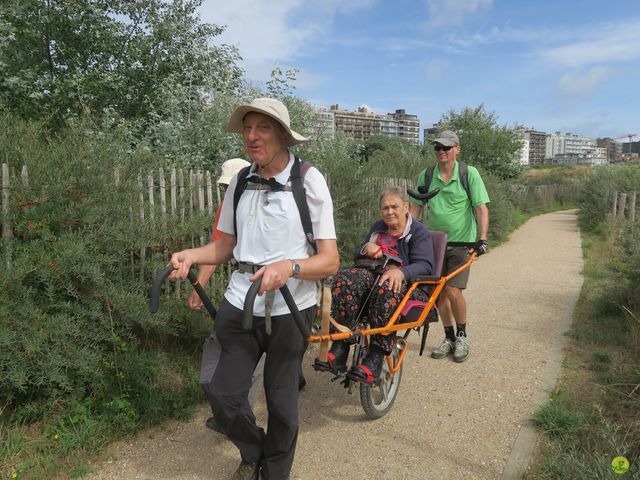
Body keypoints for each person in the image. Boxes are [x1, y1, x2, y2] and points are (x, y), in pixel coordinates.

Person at [169, 97, 339, 480]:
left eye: (262, 127)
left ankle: (273, 473)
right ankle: (253, 450)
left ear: (282, 135)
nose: (251, 136)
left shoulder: (308, 181)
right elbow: (226, 245)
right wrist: (191, 255)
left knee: (281, 403)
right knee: (222, 392)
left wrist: (290, 267)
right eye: (247, 128)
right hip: (239, 300)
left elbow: (330, 260)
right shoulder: (242, 180)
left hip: (291, 307)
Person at [314, 187, 434, 383]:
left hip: (406, 285)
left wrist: (400, 271)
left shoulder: (418, 231)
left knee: (387, 286)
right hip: (372, 275)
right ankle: (341, 345)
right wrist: (366, 247)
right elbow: (357, 257)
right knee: (343, 279)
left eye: (394, 206)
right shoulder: (378, 227)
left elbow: (425, 265)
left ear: (405, 207)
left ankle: (375, 357)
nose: (389, 212)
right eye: (385, 208)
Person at [409, 130, 490, 363]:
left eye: (446, 147)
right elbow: (415, 208)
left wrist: (482, 239)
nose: (442, 151)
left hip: (462, 243)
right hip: (433, 243)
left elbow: (481, 208)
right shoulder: (426, 175)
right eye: (438, 148)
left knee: (453, 290)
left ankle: (463, 336)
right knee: (438, 293)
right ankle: (449, 337)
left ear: (457, 150)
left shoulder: (468, 174)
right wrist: (407, 236)